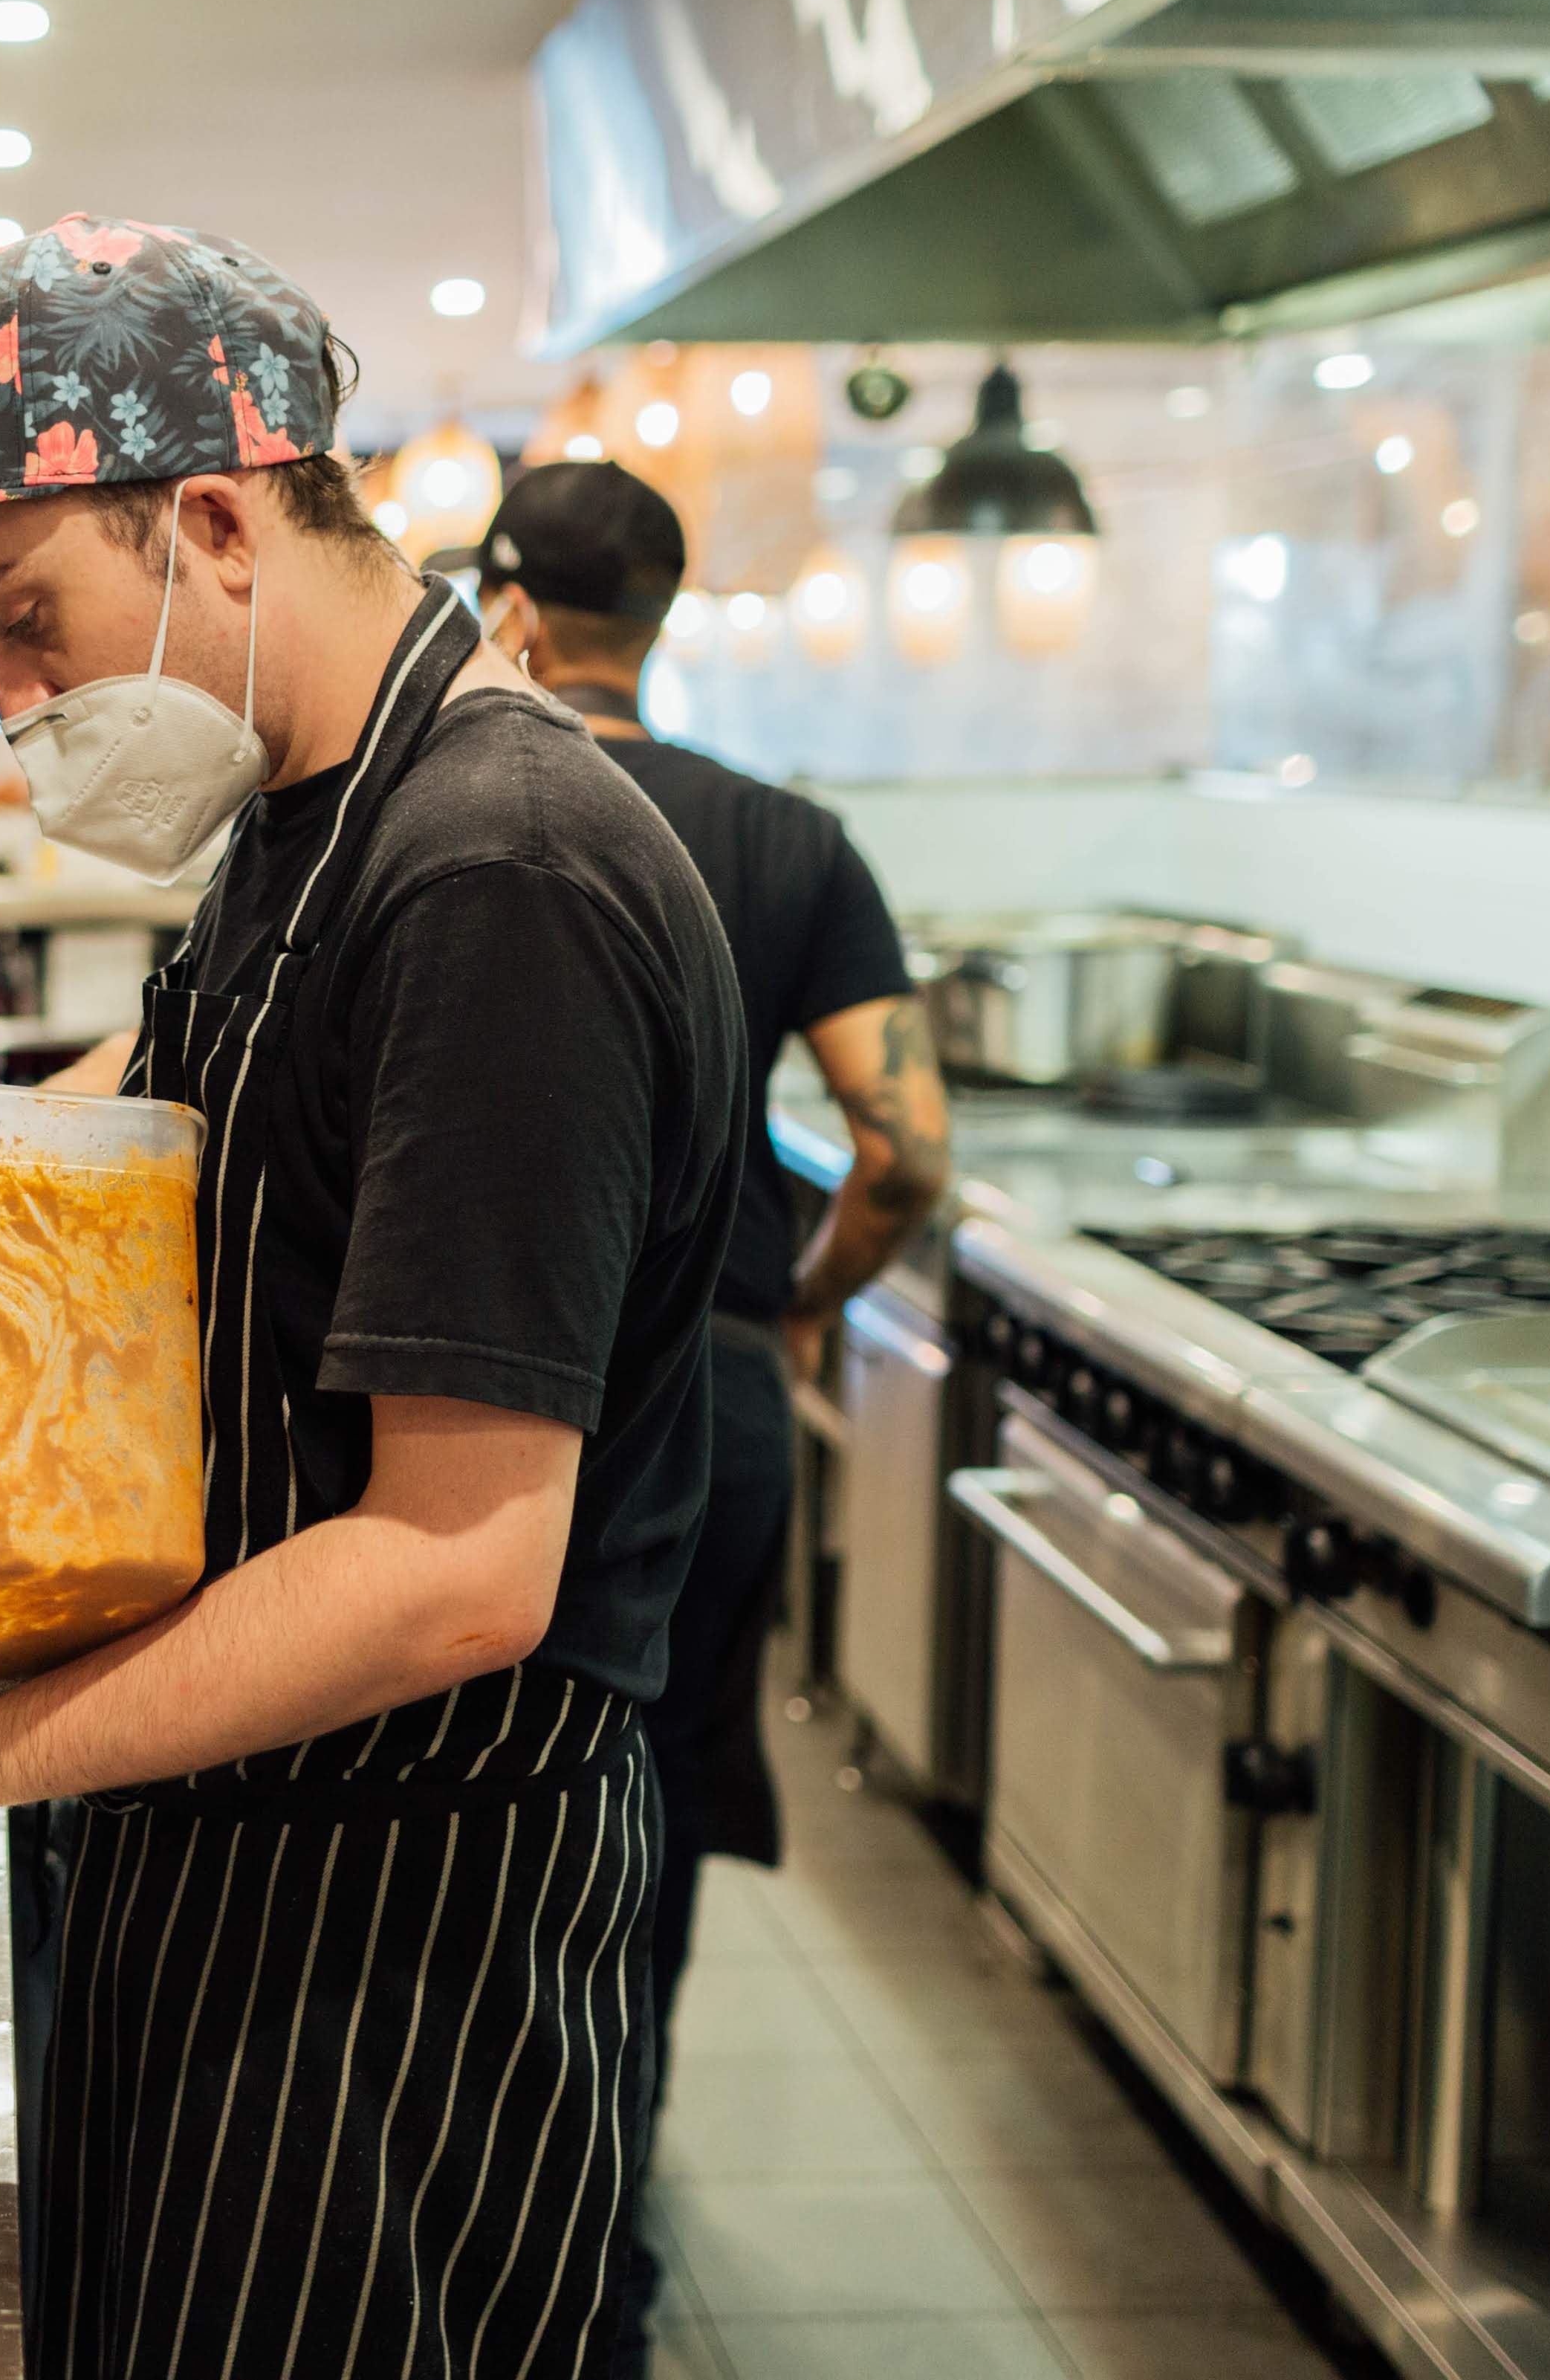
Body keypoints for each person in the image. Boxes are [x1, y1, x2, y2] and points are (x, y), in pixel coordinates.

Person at [0, 216, 747, 2379]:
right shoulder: (308, 812)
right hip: (224, 1846)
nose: (13, 708)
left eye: (26, 620)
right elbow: (155, 1109)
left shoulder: (497, 879)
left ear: (219, 521)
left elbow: (454, 1570)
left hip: (389, 1924)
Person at [461, 459, 952, 2244]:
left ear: (505, 609)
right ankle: (601, 2209)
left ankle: (472, 2216)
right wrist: (802, 1300)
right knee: (640, 1807)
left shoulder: (451, 810)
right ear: (657, 624)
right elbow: (906, 1150)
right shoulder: (787, 840)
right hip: (714, 1395)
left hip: (470, 1387)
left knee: (463, 1804)